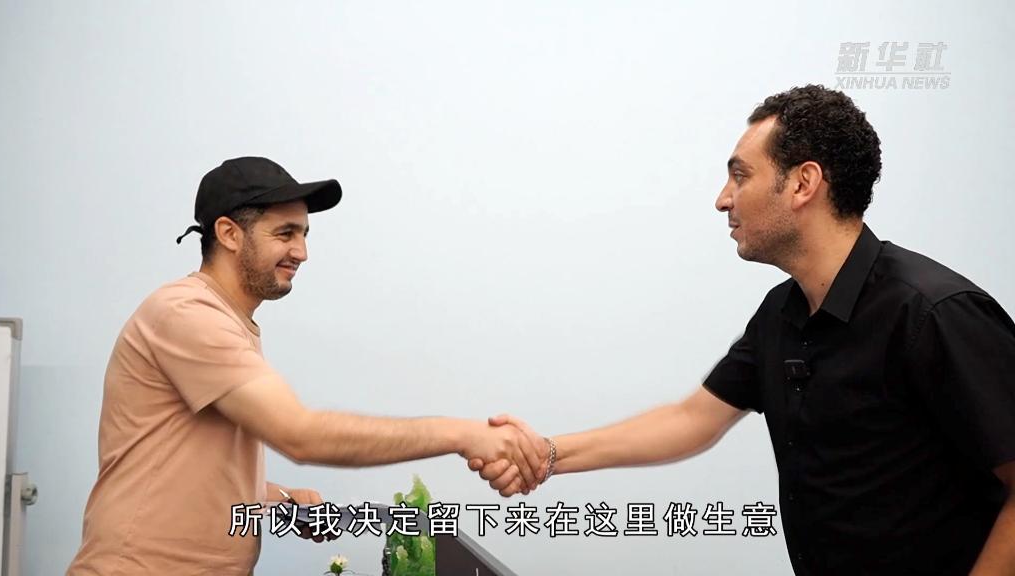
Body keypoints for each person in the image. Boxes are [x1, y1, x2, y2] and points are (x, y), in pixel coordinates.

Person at [472, 85, 1015, 575]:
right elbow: (692, 420)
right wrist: (547, 454)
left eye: (741, 175)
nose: (723, 199)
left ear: (802, 183)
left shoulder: (934, 312)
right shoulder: (781, 313)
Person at [67, 157, 543, 575]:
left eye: (304, 234)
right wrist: (462, 434)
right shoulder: (187, 314)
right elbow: (301, 435)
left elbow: (182, 466)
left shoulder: (228, 322)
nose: (302, 252)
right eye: (285, 234)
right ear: (229, 234)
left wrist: (275, 498)